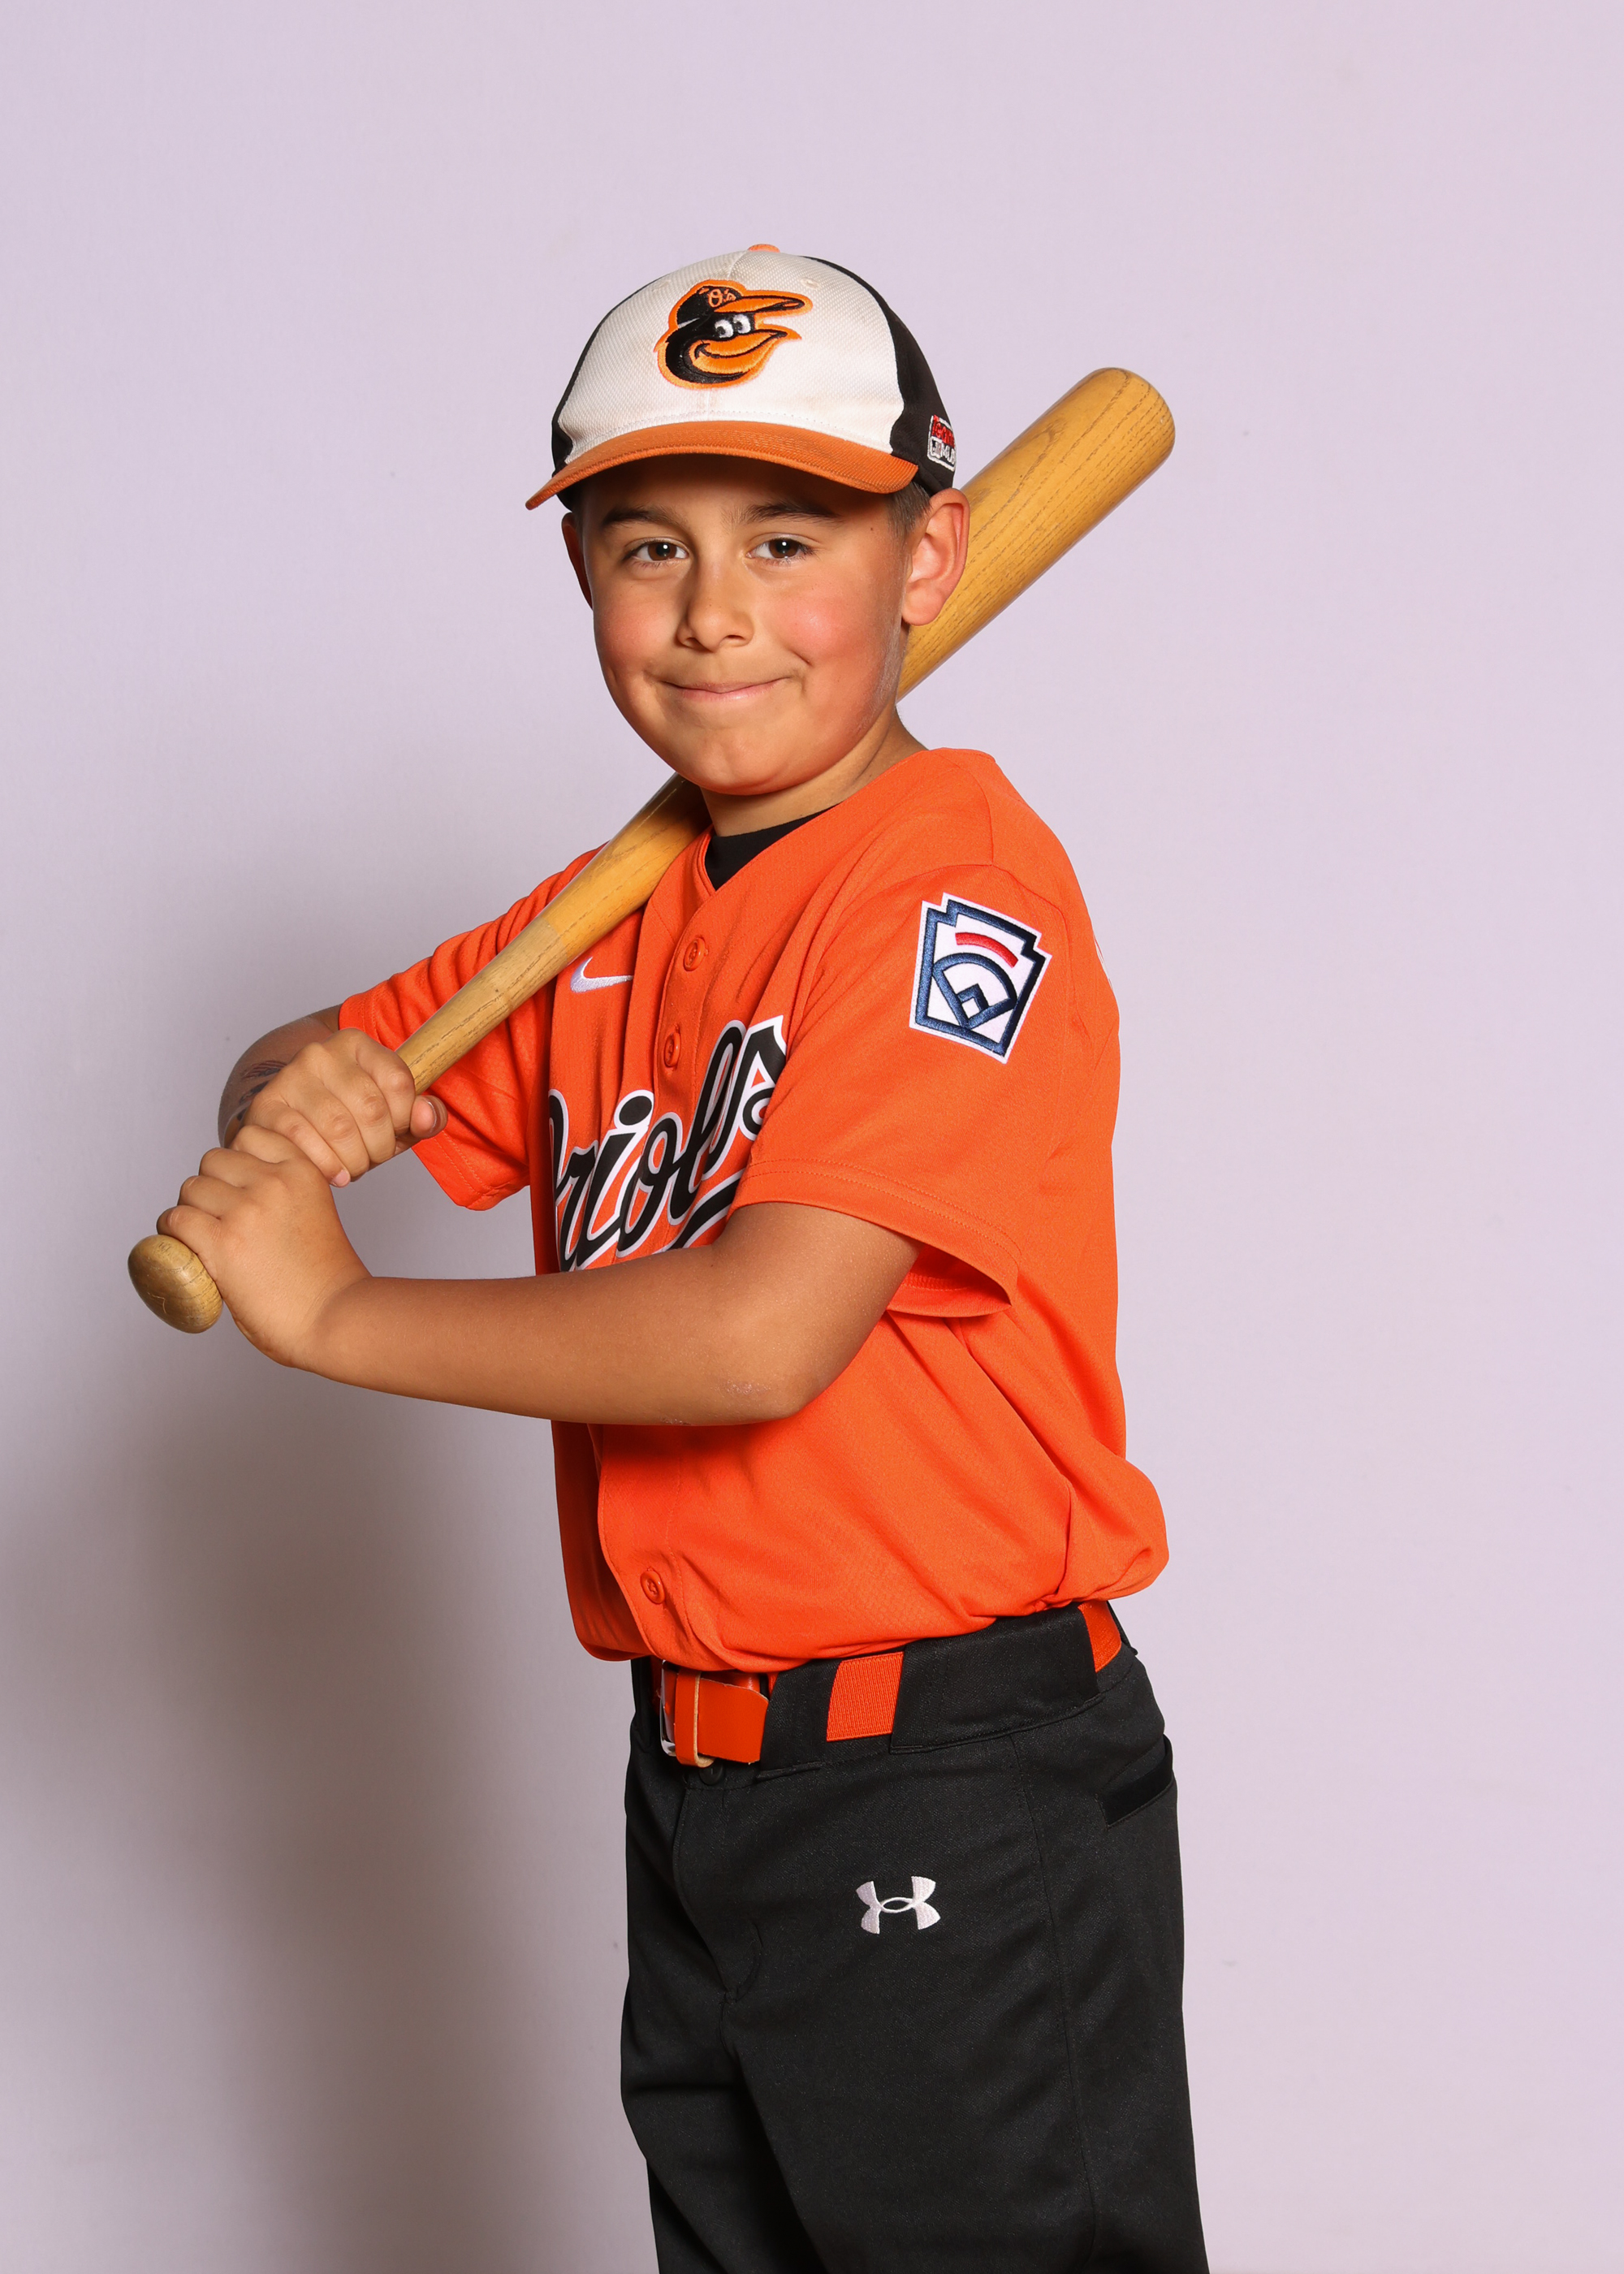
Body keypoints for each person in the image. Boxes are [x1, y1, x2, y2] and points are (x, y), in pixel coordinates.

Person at [165, 248, 1207, 2273]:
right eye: (651, 544)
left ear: (928, 557)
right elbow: (322, 1061)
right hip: (703, 1777)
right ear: (585, 577)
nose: (715, 609)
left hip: (944, 1767)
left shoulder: (947, 892)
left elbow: (758, 1336)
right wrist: (301, 1087)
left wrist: (339, 1309)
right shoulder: (617, 911)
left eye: (789, 537)